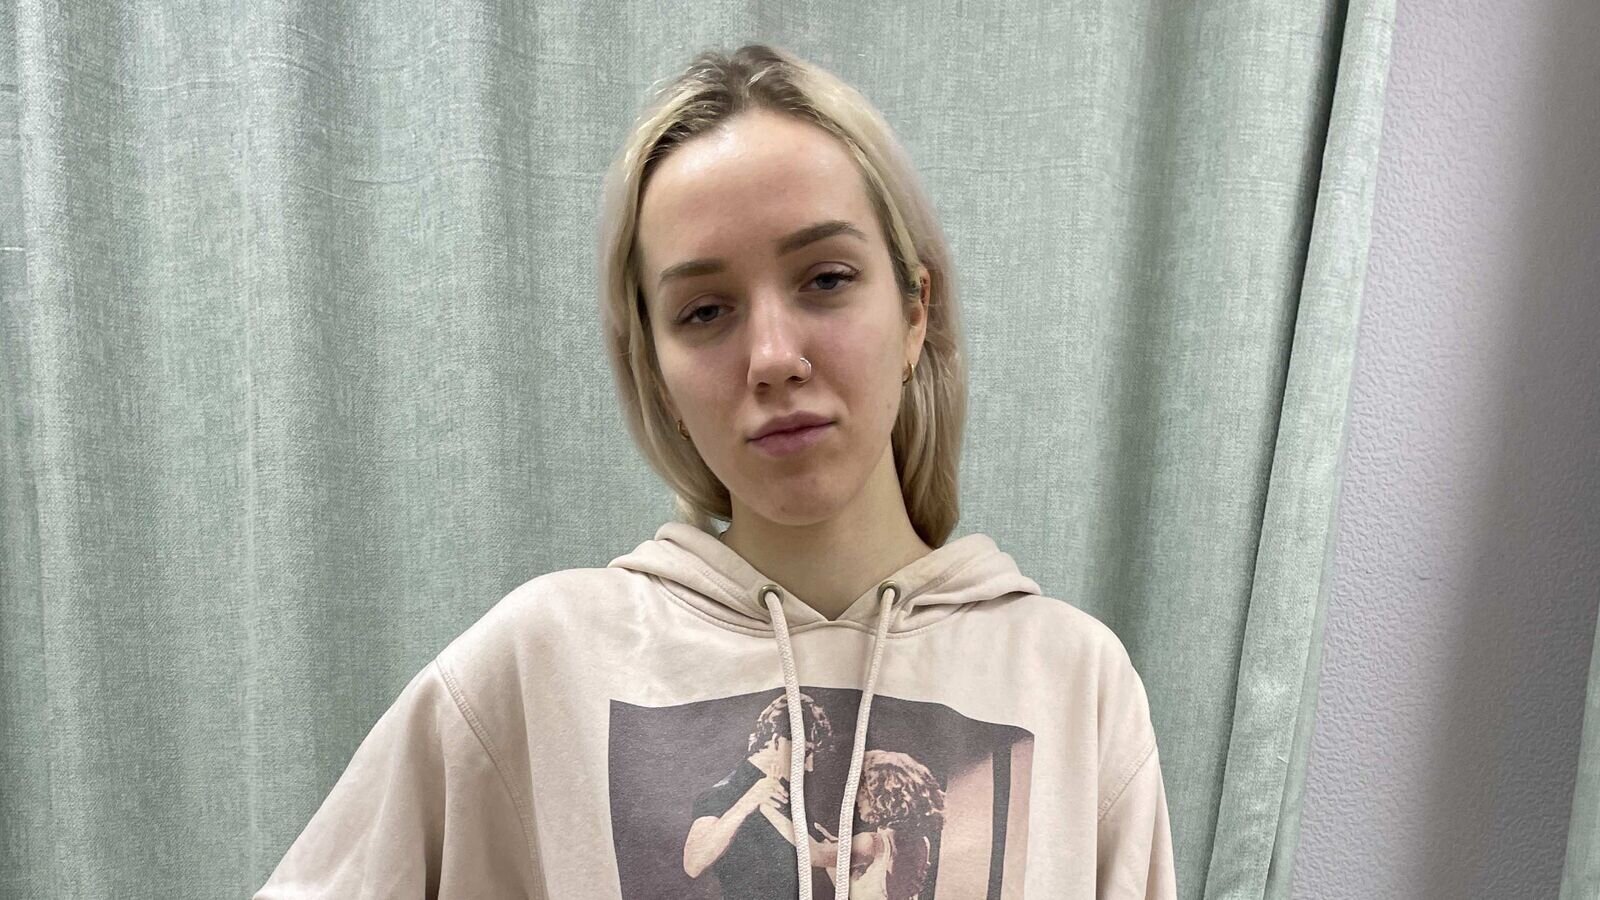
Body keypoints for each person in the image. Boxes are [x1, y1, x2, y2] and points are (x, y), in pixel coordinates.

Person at [254, 42, 1174, 900]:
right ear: (655, 370)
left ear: (914, 311)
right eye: (704, 311)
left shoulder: (1073, 683)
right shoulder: (542, 665)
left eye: (825, 279)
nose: (772, 356)